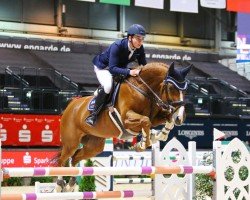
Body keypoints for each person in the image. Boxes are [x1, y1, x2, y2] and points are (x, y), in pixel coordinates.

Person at [85, 24, 147, 126]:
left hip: (119, 68)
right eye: (138, 38)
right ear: (130, 37)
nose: (141, 41)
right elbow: (112, 69)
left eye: (142, 39)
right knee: (108, 86)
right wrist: (130, 72)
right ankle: (93, 115)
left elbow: (144, 65)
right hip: (103, 68)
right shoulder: (117, 46)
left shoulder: (139, 48)